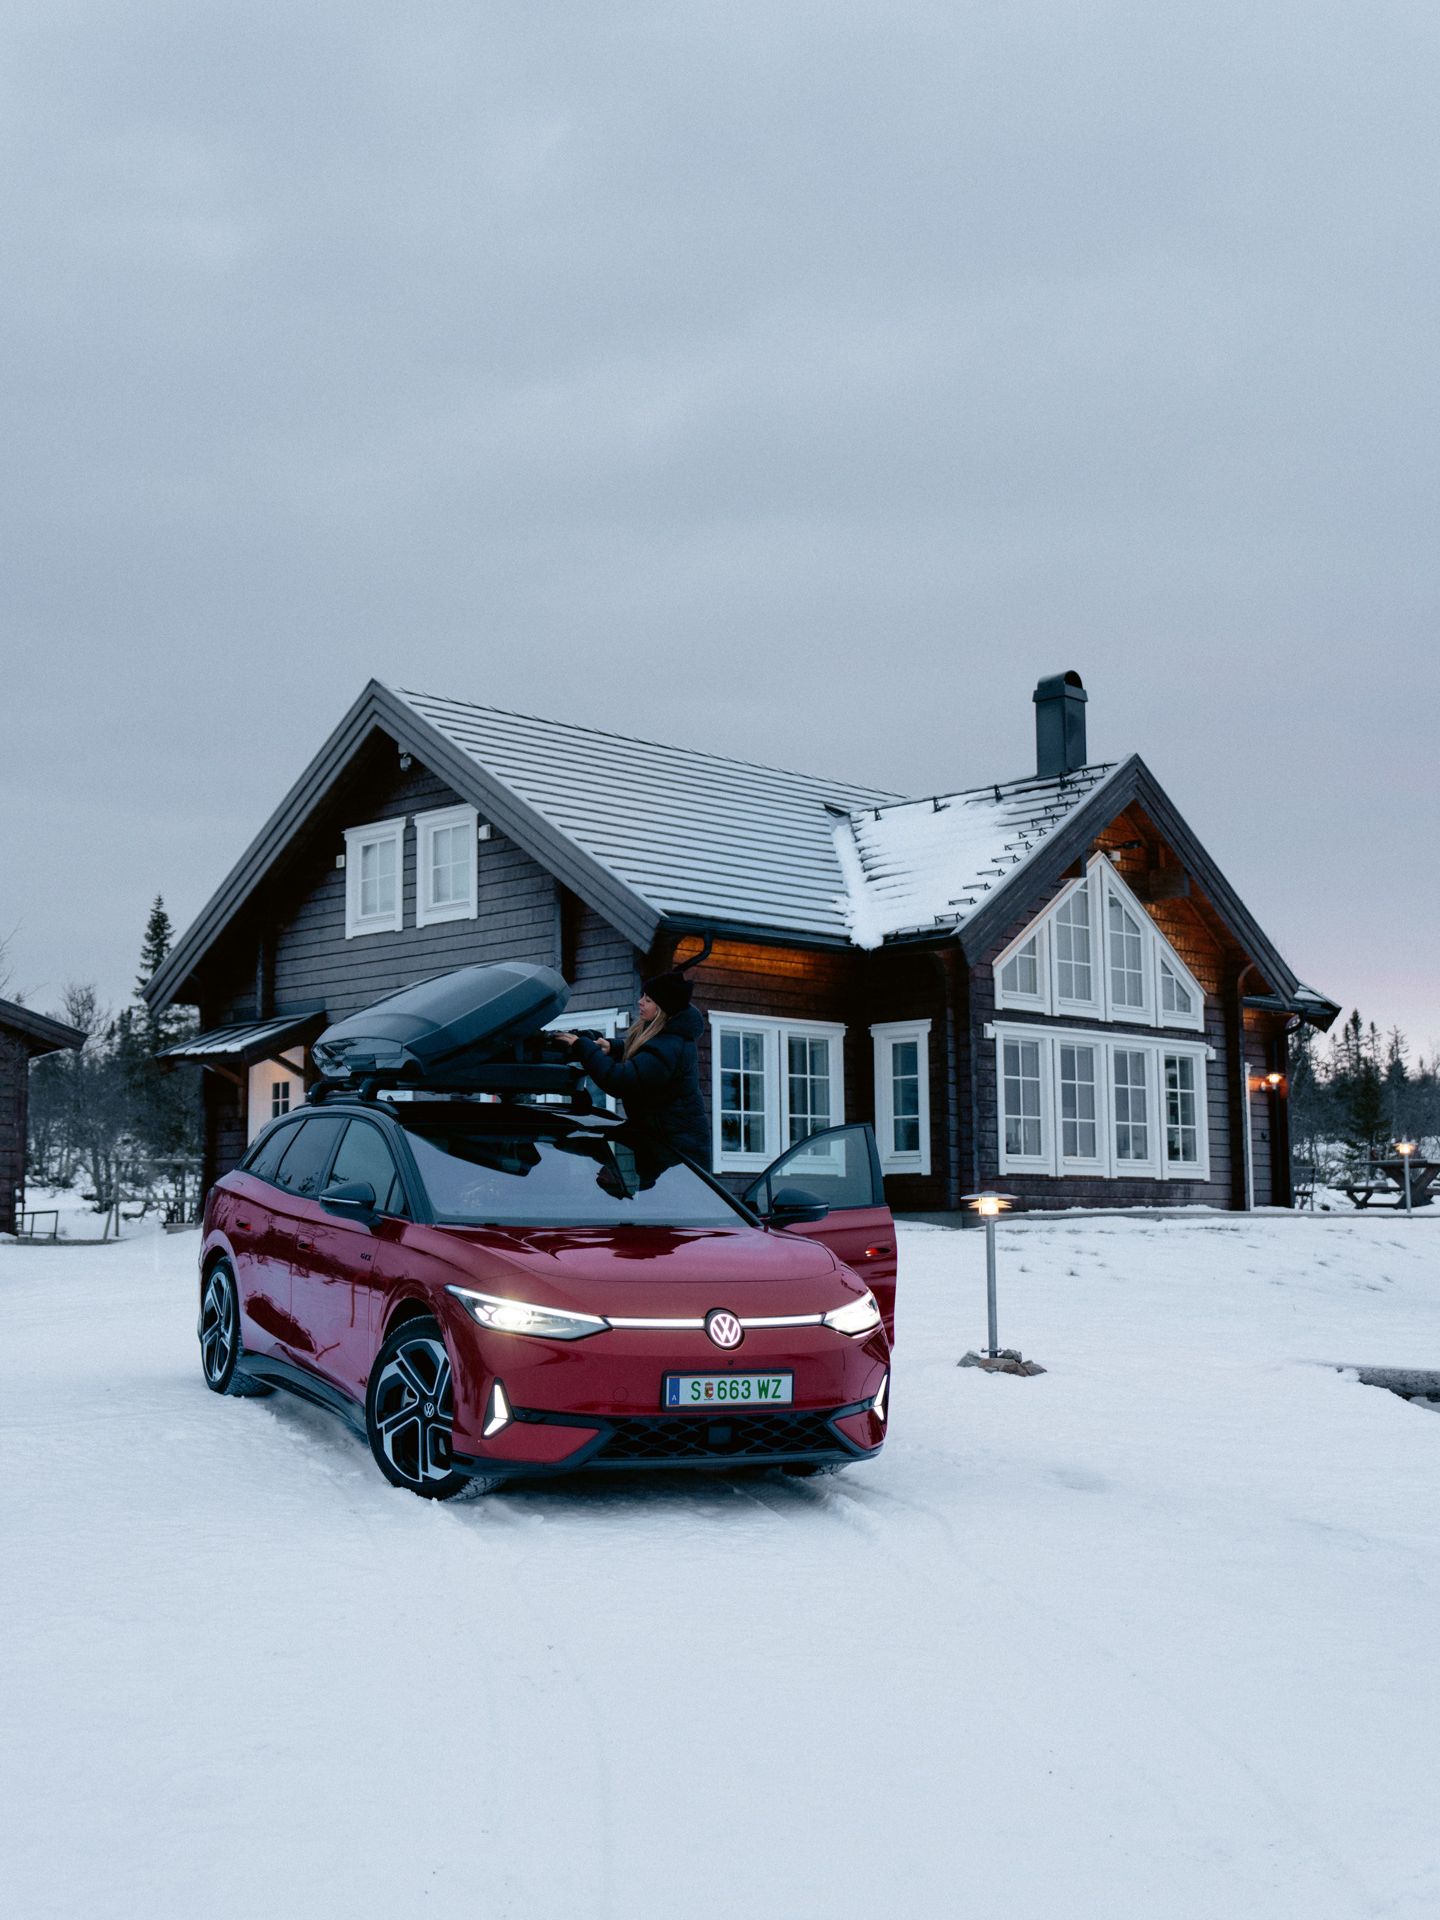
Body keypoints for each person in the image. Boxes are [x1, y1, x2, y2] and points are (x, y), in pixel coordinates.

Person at [556, 968, 710, 1168]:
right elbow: (646, 1058)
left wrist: (582, 1046)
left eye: (649, 1000)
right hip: (661, 1144)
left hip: (677, 1155)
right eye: (643, 996)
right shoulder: (668, 1039)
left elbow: (620, 1080)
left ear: (663, 1009)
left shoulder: (669, 1047)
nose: (641, 1002)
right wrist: (614, 1047)